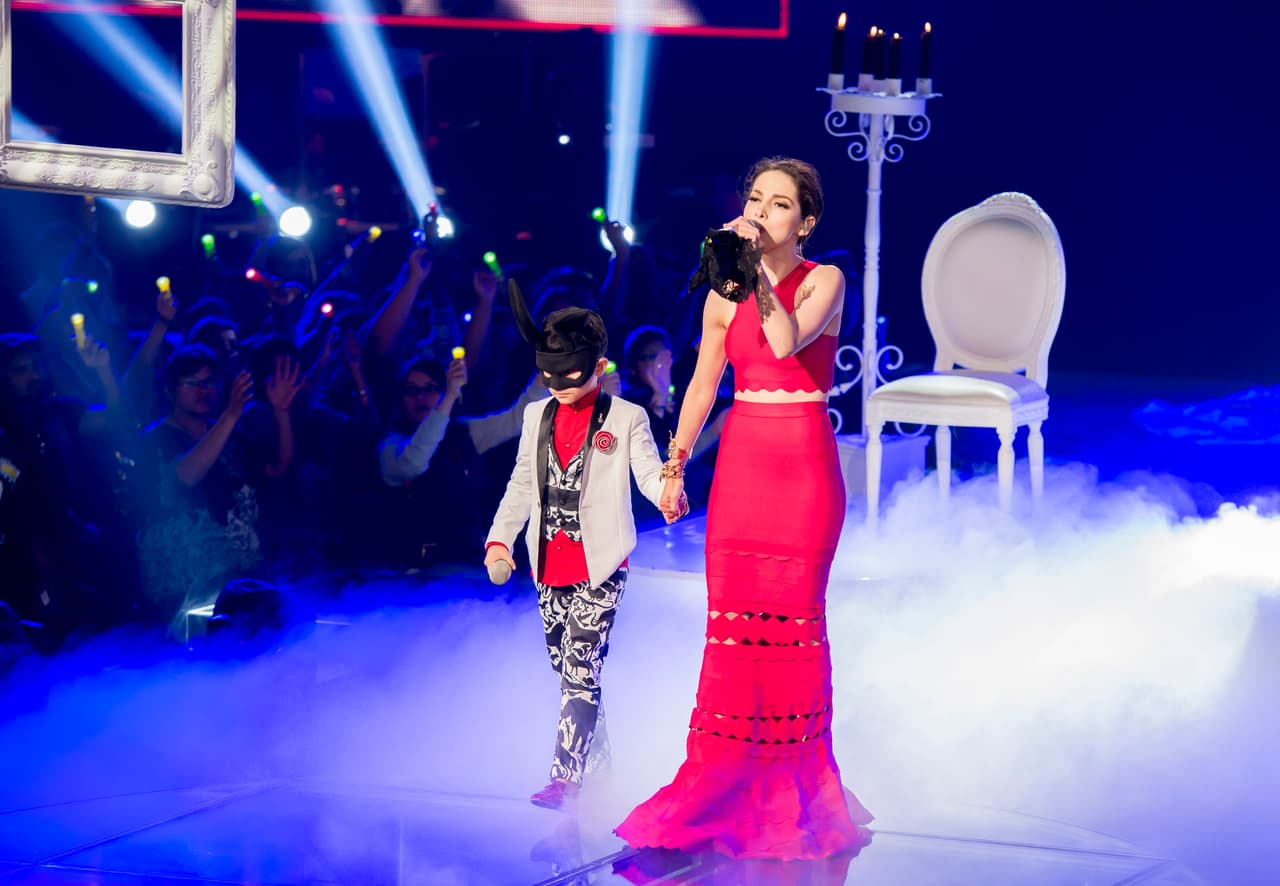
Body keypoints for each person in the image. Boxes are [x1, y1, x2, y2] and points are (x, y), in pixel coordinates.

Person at [616, 157, 874, 859]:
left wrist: (754, 270)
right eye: (755, 200)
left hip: (803, 468)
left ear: (806, 221)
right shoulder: (721, 297)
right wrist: (671, 467)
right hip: (742, 467)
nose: (762, 212)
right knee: (731, 632)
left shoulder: (826, 280)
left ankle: (796, 788)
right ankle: (722, 780)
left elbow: (786, 340)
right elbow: (701, 387)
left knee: (791, 630)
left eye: (779, 204)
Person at [484, 286, 665, 810]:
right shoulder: (535, 416)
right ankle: (601, 774)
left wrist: (667, 492)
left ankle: (566, 778)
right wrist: (500, 539)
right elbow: (522, 483)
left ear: (598, 365)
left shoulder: (627, 418)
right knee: (571, 674)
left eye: (572, 374)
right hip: (548, 565)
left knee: (581, 668)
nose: (560, 386)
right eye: (549, 376)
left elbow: (649, 477)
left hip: (603, 564)